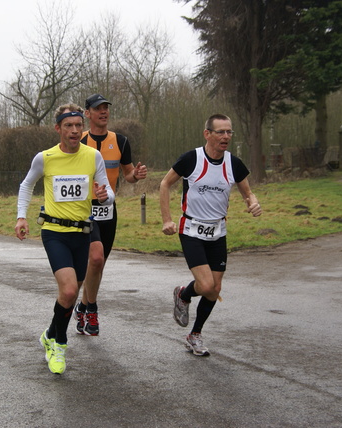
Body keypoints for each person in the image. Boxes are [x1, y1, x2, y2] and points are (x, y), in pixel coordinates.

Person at [15, 103, 114, 374]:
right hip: (55, 232)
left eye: (78, 125)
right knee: (70, 291)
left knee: (68, 296)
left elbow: (108, 192)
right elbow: (27, 185)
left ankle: (49, 332)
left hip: (82, 232)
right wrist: (21, 217)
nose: (74, 130)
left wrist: (105, 196)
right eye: (68, 126)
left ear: (83, 128)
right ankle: (59, 344)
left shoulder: (93, 156)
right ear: (58, 128)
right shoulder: (44, 158)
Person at [159, 113, 262, 356]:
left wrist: (253, 202)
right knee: (205, 285)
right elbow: (165, 184)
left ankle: (195, 334)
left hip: (218, 231)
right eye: (221, 132)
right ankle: (184, 294)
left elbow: (248, 193)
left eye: (229, 132)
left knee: (214, 289)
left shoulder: (233, 164)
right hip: (192, 230)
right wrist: (167, 219)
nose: (226, 136)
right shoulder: (191, 159)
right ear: (208, 134)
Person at [73, 94, 147, 336]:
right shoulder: (78, 140)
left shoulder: (121, 141)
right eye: (98, 108)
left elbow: (127, 175)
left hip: (108, 210)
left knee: (99, 264)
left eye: (106, 108)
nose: (103, 112)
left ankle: (83, 306)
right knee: (91, 261)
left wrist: (136, 174)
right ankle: (90, 307)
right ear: (88, 113)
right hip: (83, 210)